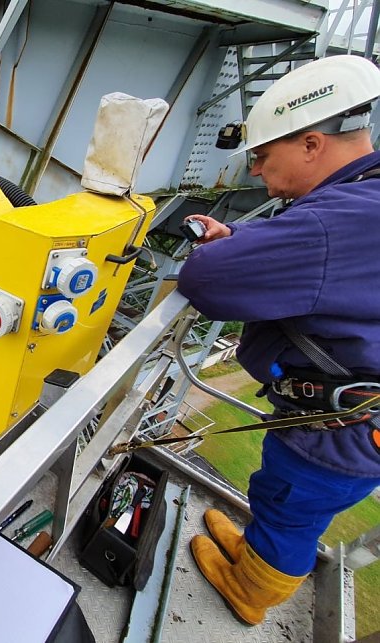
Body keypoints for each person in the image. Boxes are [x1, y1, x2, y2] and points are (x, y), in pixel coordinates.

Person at [177, 54, 380, 626]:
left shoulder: (332, 222)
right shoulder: (364, 199)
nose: (257, 173)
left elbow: (204, 279)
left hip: (331, 438)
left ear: (312, 144)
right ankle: (257, 555)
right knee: (281, 505)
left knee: (289, 513)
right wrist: (240, 238)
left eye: (264, 157)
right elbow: (323, 253)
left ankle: (251, 593)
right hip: (361, 433)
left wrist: (222, 251)